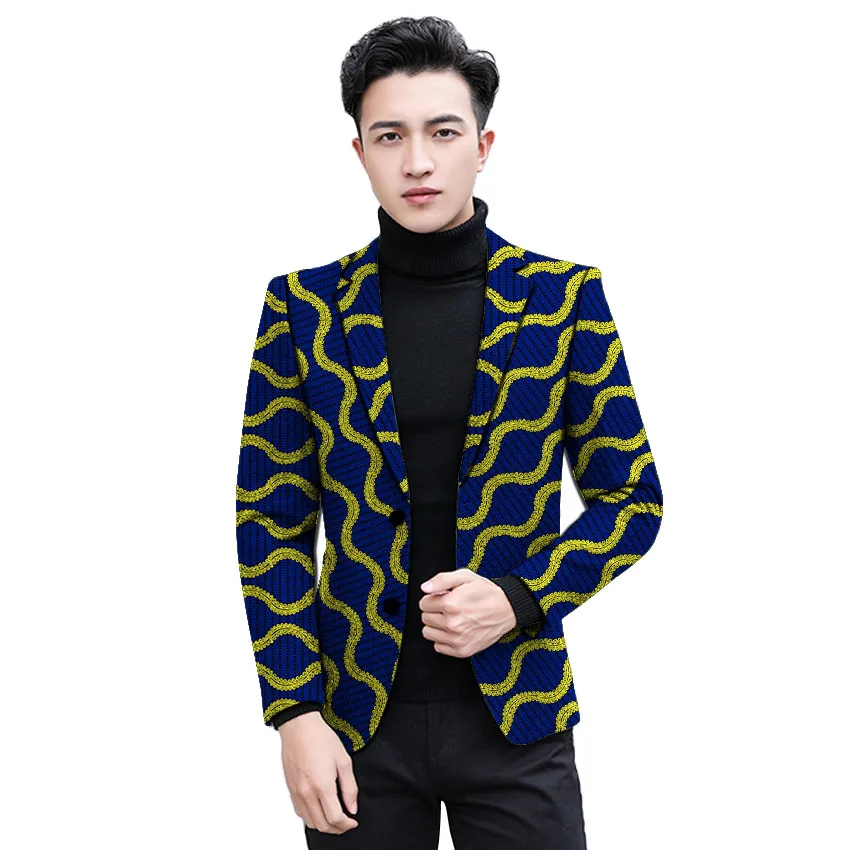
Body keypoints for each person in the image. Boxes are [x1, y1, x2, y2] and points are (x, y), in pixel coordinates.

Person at [235, 15, 663, 849]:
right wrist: (294, 712)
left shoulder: (561, 300)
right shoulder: (302, 309)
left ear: (483, 144)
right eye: (389, 136)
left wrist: (519, 598)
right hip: (354, 726)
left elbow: (633, 500)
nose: (418, 162)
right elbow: (270, 522)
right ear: (360, 152)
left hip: (518, 716)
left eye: (442, 132)